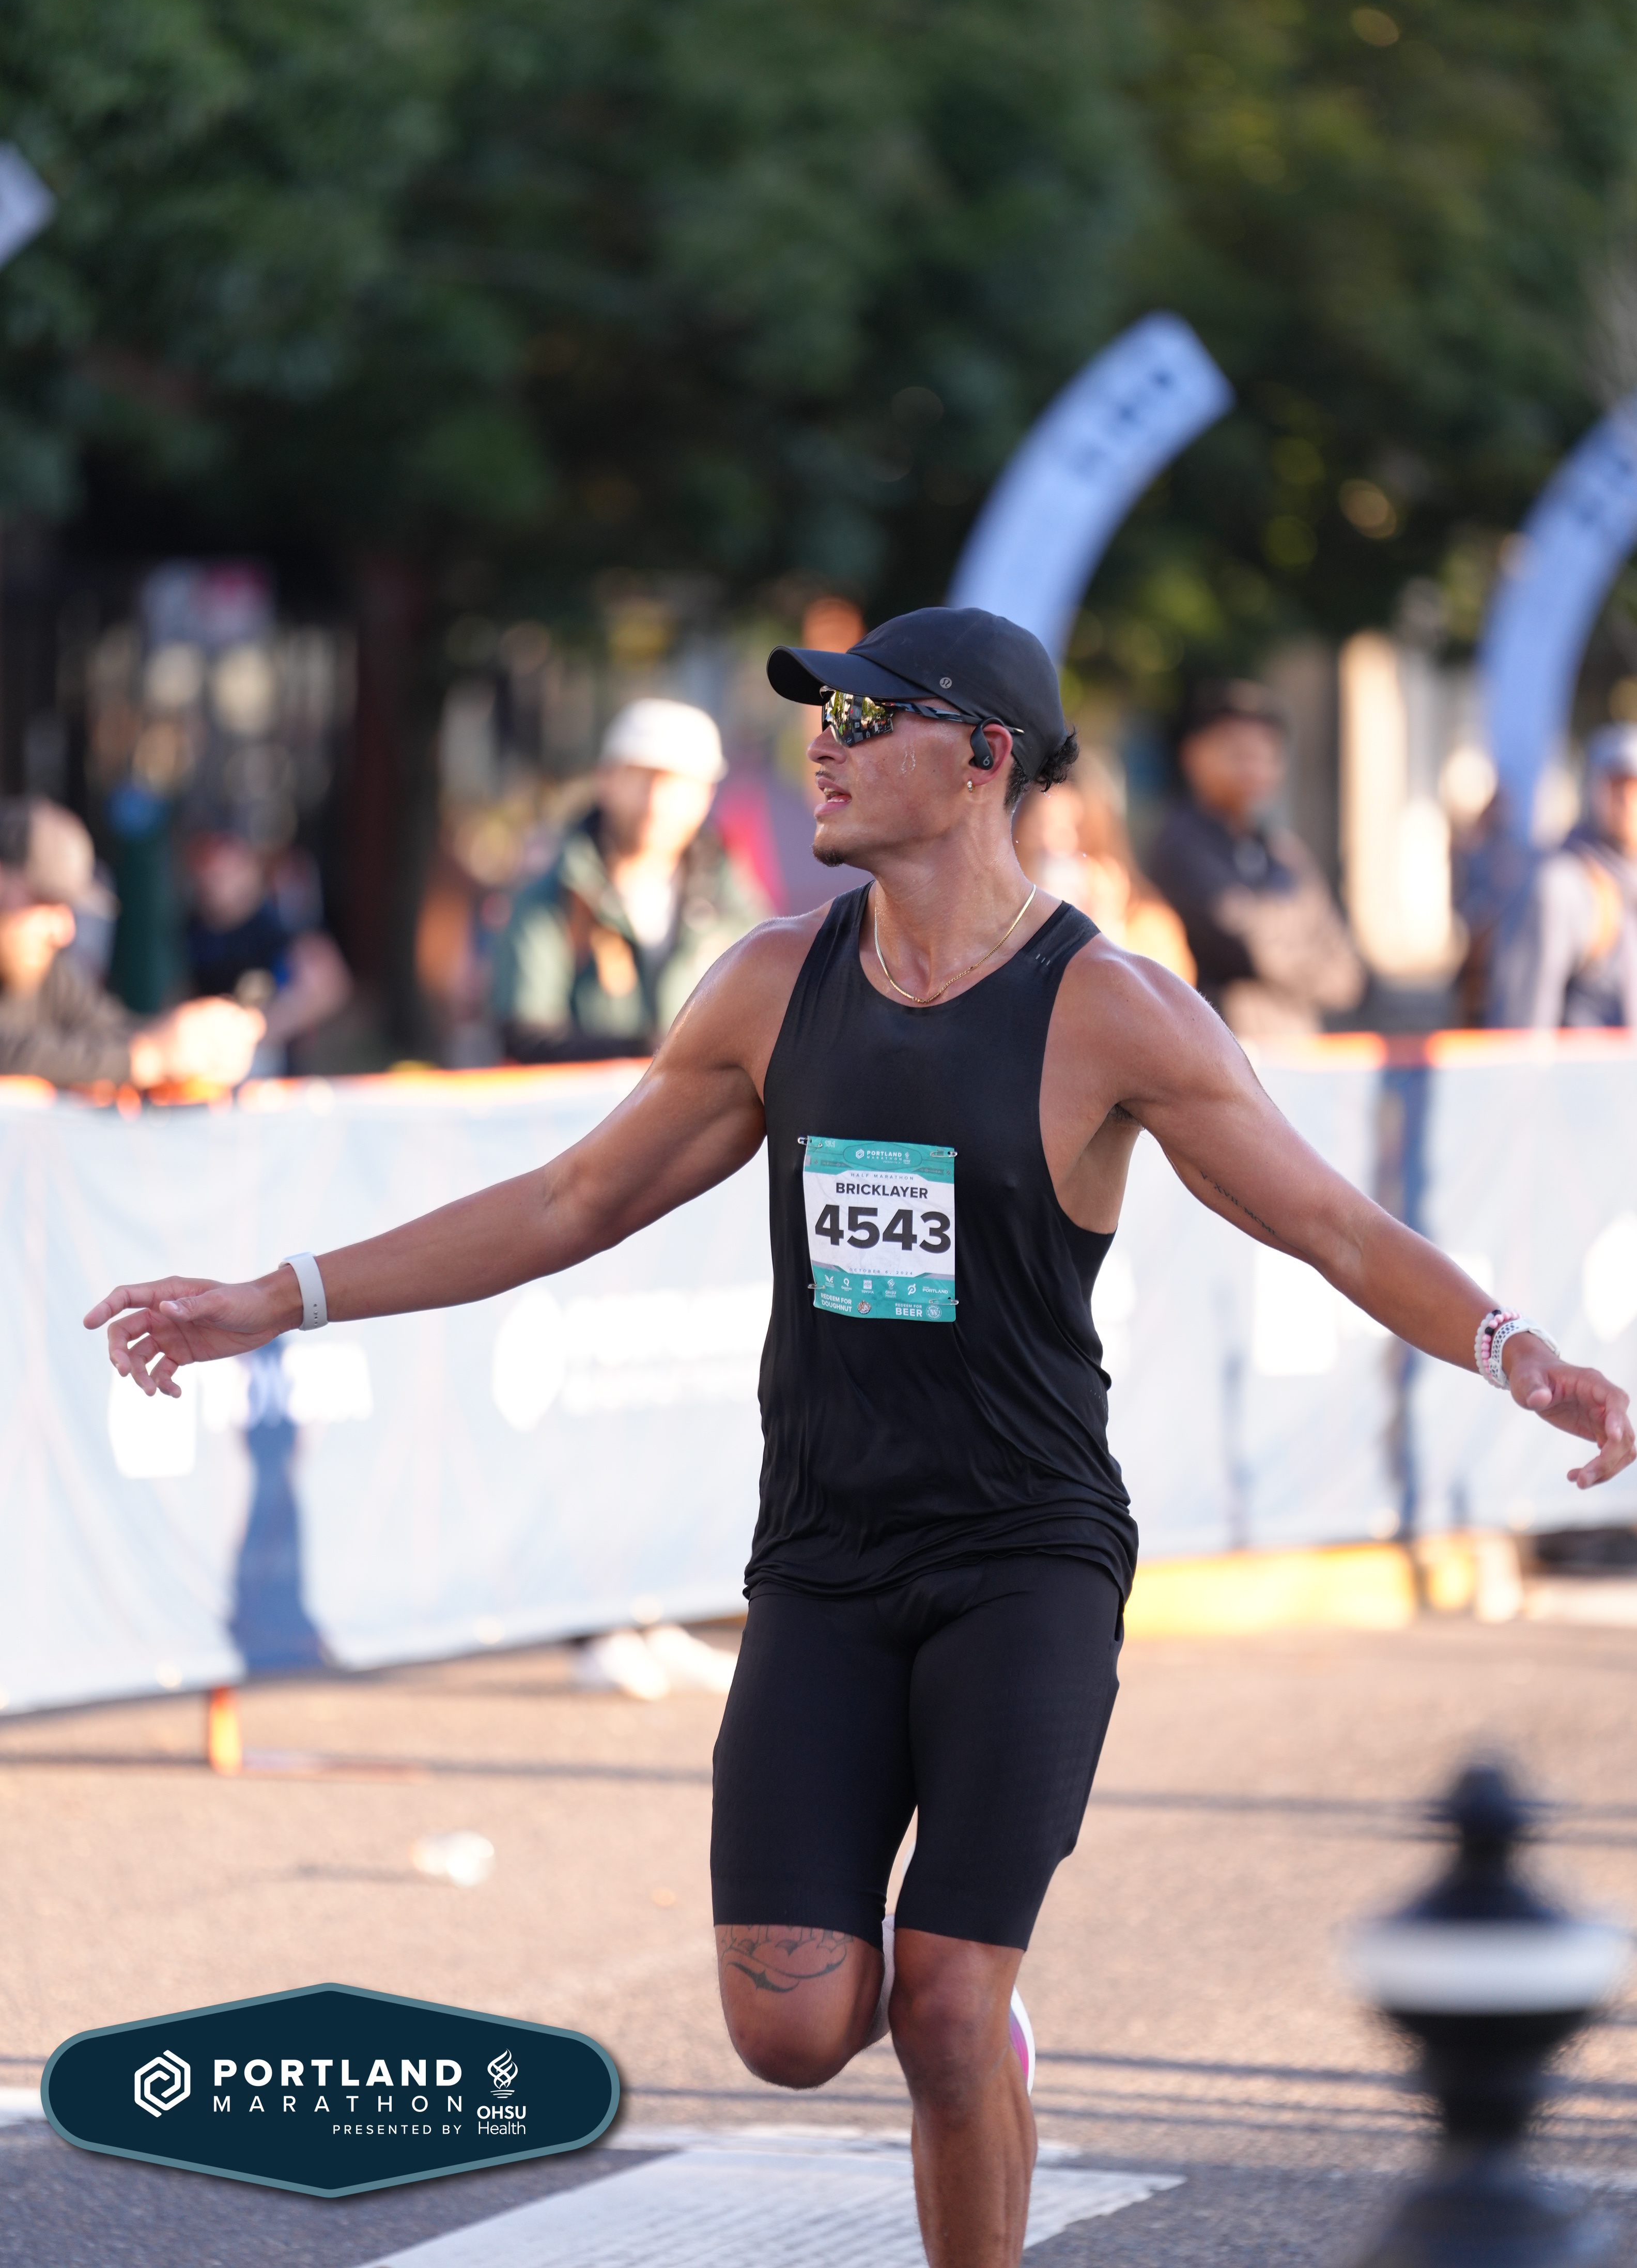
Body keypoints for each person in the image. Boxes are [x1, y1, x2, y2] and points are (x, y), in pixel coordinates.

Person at [86, 606, 1632, 2268]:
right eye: (823, 714)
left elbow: (1328, 1221)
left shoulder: (1112, 1009)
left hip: (1026, 1553)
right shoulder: (773, 984)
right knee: (793, 2027)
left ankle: (977, 2057)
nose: (823, 744)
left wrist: (1515, 1349)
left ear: (982, 763)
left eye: (869, 718)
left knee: (943, 2008)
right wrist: (279, 1296)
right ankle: (986, 2050)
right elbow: (569, 1198)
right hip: (824, 1555)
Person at [491, 698, 770, 1062]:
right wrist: (653, 1055)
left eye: (677, 783)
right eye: (640, 778)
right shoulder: (552, 897)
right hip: (591, 1101)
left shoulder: (733, 902)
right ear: (605, 779)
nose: (656, 800)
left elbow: (771, 1015)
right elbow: (526, 1038)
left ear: (707, 795)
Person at [1148, 679, 1365, 1040]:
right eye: (1238, 751)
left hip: (1299, 1045)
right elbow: (1248, 945)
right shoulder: (1180, 845)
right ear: (1193, 755)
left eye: (1268, 753)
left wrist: (1304, 963)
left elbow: (1347, 968)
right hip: (1218, 1046)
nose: (1254, 765)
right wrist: (1310, 961)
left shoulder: (1284, 853)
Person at [0, 798, 261, 1091]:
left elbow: (112, 1031)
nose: (64, 931)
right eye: (46, 902)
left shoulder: (46, 973)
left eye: (67, 907)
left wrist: (193, 1041)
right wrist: (147, 1058)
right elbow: (11, 1054)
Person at [1488, 724, 1637, 1028]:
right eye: (1616, 785)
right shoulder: (1564, 887)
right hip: (1587, 1059)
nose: (1627, 801)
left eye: (1635, 787)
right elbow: (1523, 1029)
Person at [184, 824, 352, 1074]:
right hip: (207, 1068)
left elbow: (331, 985)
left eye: (227, 868)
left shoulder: (279, 921)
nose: (217, 877)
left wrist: (260, 1029)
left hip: (272, 1069)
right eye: (210, 871)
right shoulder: (193, 932)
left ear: (250, 868)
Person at [1013, 754, 1194, 984]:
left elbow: (1169, 999)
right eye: (1039, 827)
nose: (1055, 847)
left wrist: (1106, 935)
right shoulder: (999, 931)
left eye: (1075, 829)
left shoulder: (1150, 929)